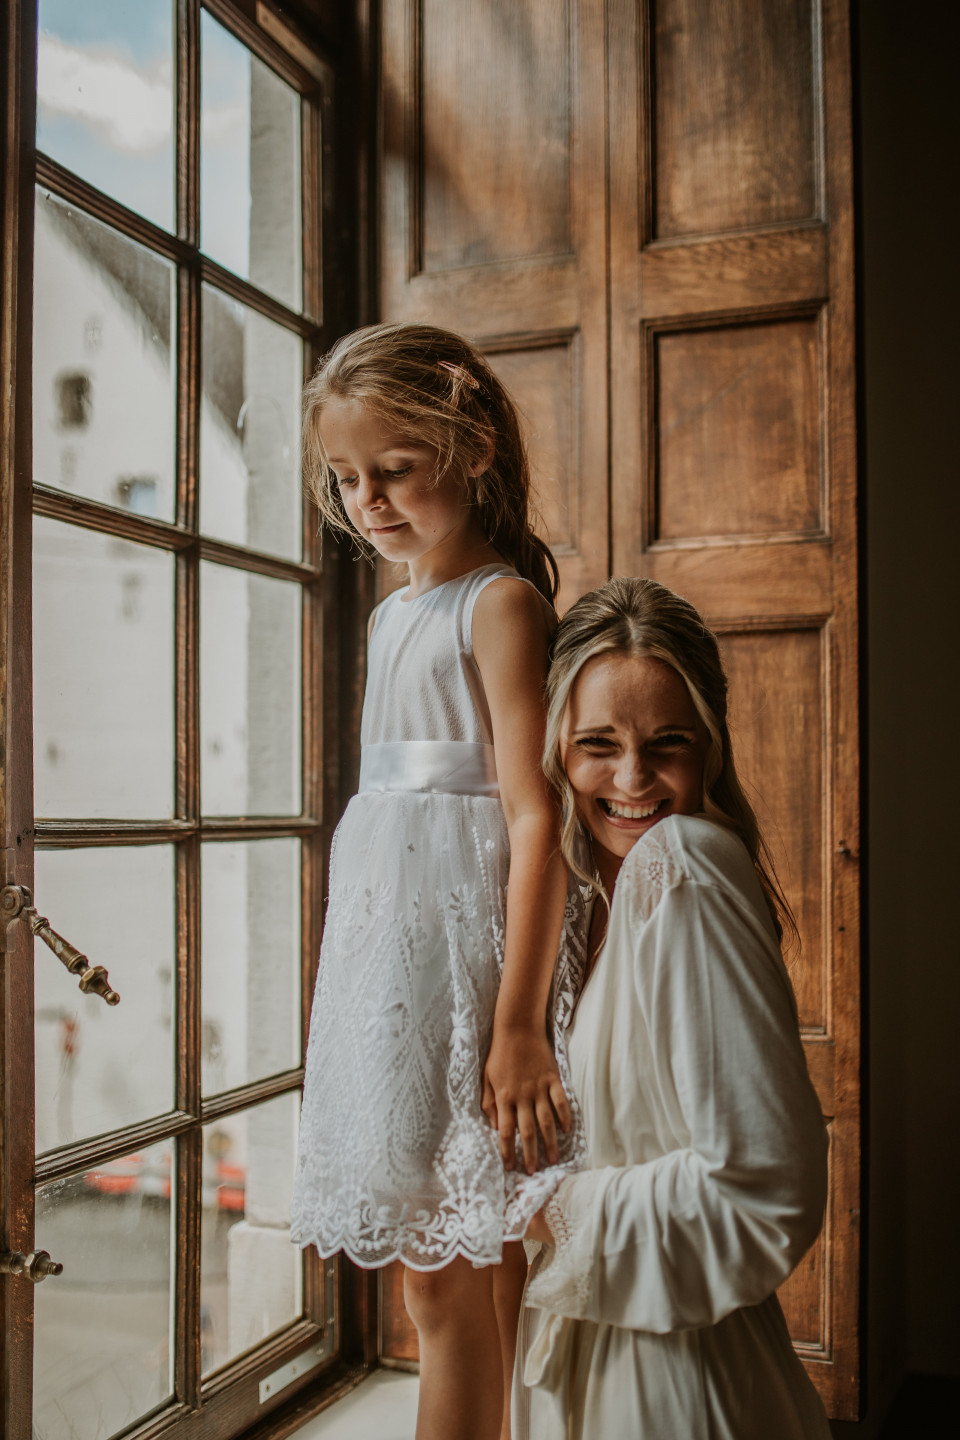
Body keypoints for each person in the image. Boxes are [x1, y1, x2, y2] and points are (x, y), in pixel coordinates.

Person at [290, 322, 585, 1440]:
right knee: (462, 1266)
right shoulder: (393, 610)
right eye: (346, 477)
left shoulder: (498, 603)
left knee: (448, 1273)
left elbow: (534, 815)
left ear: (472, 450)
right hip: (391, 964)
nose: (368, 499)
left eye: (394, 470)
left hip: (466, 973)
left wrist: (518, 1027)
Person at [513, 576, 831, 1439]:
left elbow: (766, 1188)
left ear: (712, 747)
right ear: (555, 750)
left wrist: (551, 1211)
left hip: (674, 1388)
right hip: (604, 1358)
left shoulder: (679, 867)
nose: (630, 779)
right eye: (596, 744)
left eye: (667, 743)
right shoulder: (585, 901)